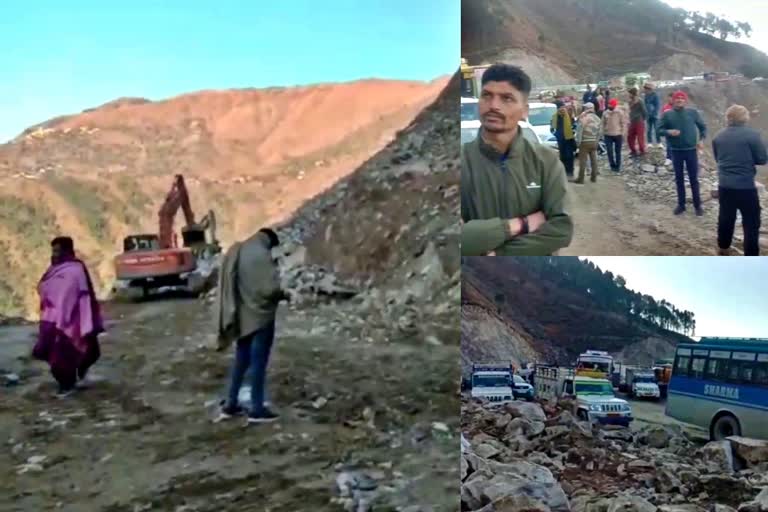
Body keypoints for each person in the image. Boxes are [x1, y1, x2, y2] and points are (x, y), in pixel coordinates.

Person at [461, 63, 573, 256]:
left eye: (507, 98)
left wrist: (496, 253)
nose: (494, 105)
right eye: (487, 95)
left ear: (524, 111)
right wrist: (520, 224)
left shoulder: (546, 161)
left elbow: (561, 230)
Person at [216, 227, 290, 423]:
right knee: (258, 363)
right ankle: (257, 408)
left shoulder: (240, 250)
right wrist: (285, 293)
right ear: (269, 241)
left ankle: (230, 405)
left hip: (242, 319)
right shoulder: (261, 254)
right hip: (260, 319)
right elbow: (269, 289)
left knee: (241, 362)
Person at [33, 237, 104, 397]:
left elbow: (82, 295)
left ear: (67, 250)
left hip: (74, 321)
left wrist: (68, 313)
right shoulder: (53, 270)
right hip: (52, 319)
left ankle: (72, 382)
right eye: (53, 251)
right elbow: (44, 288)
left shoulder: (76, 269)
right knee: (54, 352)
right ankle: (67, 384)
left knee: (83, 351)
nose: (55, 254)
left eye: (58, 251)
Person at [712, 105, 768, 255]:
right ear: (745, 118)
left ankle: (723, 247)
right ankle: (750, 255)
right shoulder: (752, 135)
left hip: (724, 185)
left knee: (725, 217)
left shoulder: (718, 136)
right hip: (745, 186)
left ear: (728, 118)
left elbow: (718, 159)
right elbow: (762, 159)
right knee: (751, 221)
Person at [658, 90, 708, 216]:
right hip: (676, 151)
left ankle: (698, 205)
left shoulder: (692, 113)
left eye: (682, 98)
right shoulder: (667, 114)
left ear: (685, 100)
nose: (680, 100)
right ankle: (681, 205)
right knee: (679, 178)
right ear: (673, 100)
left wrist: (701, 140)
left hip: (691, 150)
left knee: (694, 179)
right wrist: (669, 132)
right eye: (677, 98)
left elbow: (703, 127)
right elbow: (658, 130)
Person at [575, 102, 602, 184]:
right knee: (594, 160)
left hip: (584, 141)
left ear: (586, 108)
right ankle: (594, 178)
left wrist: (578, 142)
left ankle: (581, 179)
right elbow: (599, 132)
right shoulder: (598, 118)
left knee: (583, 160)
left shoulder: (584, 118)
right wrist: (597, 141)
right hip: (594, 141)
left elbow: (579, 130)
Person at [551, 100, 578, 177]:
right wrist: (557, 135)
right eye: (561, 107)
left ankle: (570, 171)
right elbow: (552, 128)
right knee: (563, 156)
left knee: (569, 155)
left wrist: (572, 133)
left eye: (563, 107)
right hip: (561, 140)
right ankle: (564, 171)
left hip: (569, 139)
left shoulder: (569, 115)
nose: (563, 109)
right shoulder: (555, 116)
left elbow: (574, 125)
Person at [602, 98, 626, 173]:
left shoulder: (620, 113)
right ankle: (612, 165)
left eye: (611, 104)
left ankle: (618, 167)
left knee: (618, 152)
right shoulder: (605, 113)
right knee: (609, 151)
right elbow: (602, 124)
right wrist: (602, 132)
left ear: (614, 105)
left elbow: (623, 123)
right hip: (608, 135)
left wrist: (623, 133)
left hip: (618, 134)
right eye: (609, 104)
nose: (609, 106)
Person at [627, 87, 647, 157]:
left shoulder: (640, 101)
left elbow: (644, 111)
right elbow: (629, 111)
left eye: (629, 94)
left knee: (640, 137)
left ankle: (642, 151)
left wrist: (643, 119)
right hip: (632, 121)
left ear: (632, 94)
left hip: (639, 121)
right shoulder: (630, 101)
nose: (628, 95)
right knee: (630, 136)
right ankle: (633, 150)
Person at [661, 92, 674, 161]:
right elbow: (662, 117)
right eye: (669, 98)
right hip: (668, 128)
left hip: (676, 128)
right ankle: (669, 158)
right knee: (668, 143)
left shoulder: (676, 107)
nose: (670, 99)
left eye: (671, 98)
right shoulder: (665, 107)